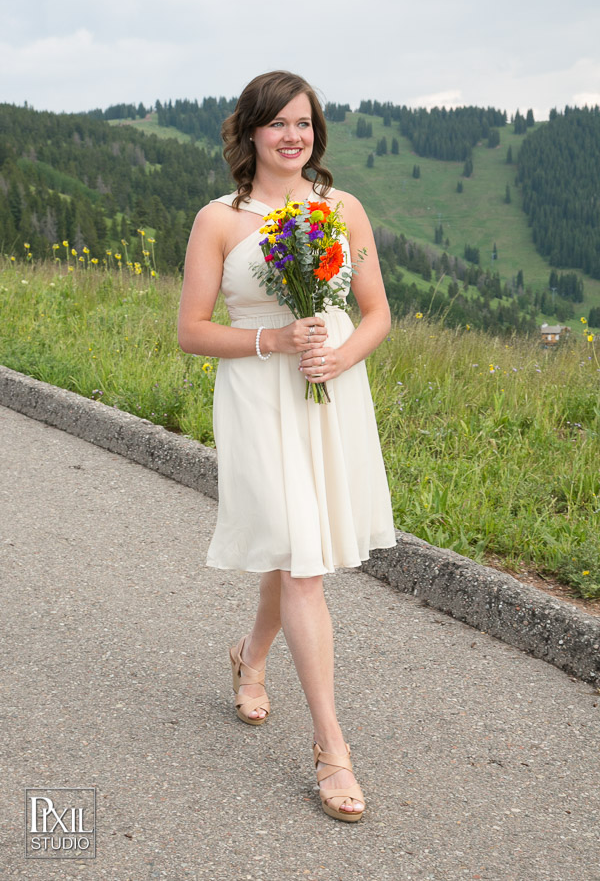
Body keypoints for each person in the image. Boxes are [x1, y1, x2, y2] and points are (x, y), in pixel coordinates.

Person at [178, 70, 396, 822]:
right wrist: (272, 337)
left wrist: (340, 355)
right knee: (301, 563)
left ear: (316, 132)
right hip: (256, 393)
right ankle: (332, 749)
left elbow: (375, 313)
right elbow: (191, 330)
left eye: (304, 123)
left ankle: (251, 655)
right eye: (278, 124)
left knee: (295, 547)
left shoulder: (342, 209)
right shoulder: (220, 220)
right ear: (251, 133)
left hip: (327, 389)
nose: (293, 136)